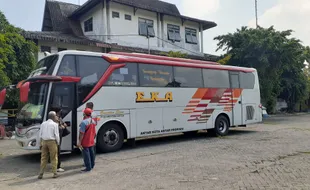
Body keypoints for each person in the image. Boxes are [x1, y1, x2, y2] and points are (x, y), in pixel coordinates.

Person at [38, 111, 60, 179]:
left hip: (44, 142)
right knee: (53, 157)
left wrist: (40, 143)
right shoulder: (55, 124)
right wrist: (58, 143)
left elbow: (40, 134)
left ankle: (41, 173)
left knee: (43, 158)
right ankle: (54, 173)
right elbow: (56, 135)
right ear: (53, 117)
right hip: (52, 142)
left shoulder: (43, 124)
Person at [52, 107, 68, 173]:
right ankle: (57, 167)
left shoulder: (52, 118)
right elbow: (62, 127)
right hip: (57, 139)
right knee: (57, 152)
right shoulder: (57, 119)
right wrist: (62, 126)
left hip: (50, 139)